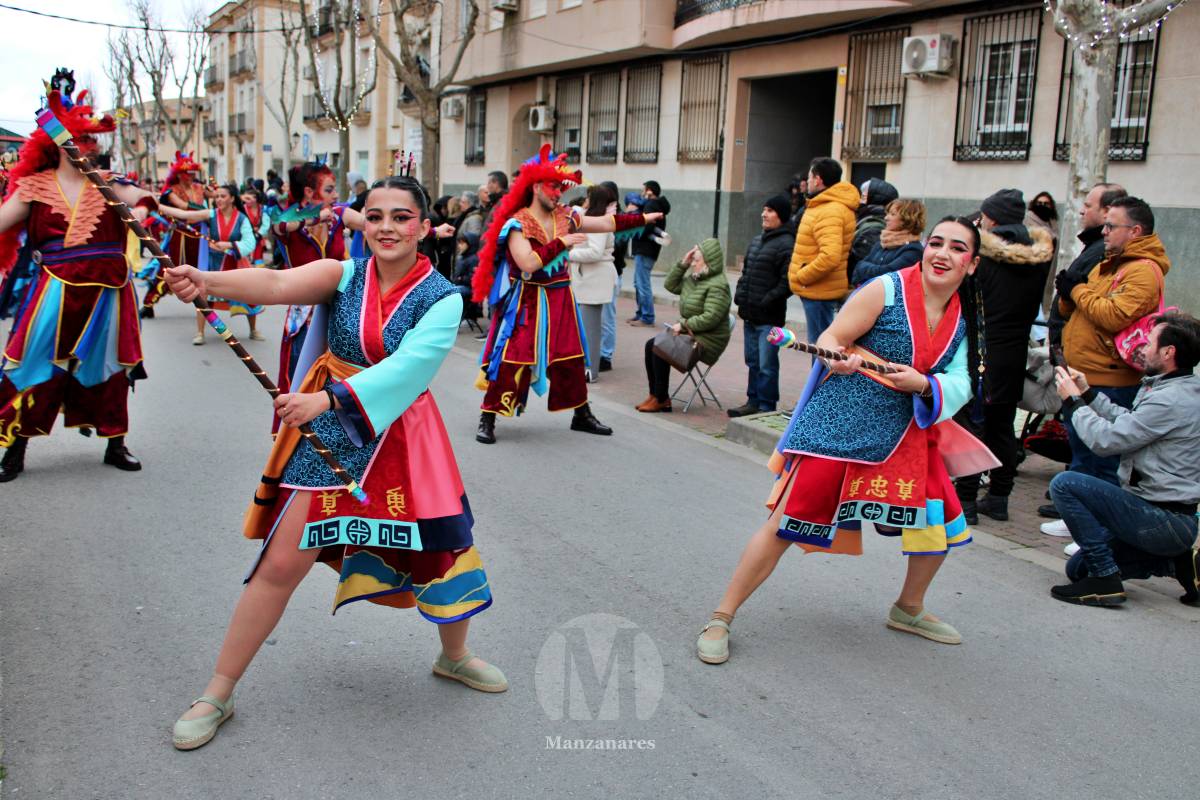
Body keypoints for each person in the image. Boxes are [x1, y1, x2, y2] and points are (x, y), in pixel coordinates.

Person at [162, 175, 504, 751]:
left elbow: (410, 369)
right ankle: (217, 692)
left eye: (401, 217)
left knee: (443, 551)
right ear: (362, 222)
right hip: (330, 434)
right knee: (279, 564)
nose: (387, 227)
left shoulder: (444, 297)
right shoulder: (344, 275)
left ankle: (455, 655)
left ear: (423, 227)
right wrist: (207, 279)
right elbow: (276, 282)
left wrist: (327, 399)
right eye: (375, 216)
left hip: (402, 436)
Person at [697, 217, 992, 663]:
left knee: (940, 524)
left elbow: (963, 379)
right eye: (936, 243)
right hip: (842, 422)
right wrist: (836, 357)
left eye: (957, 248)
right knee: (784, 524)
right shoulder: (886, 289)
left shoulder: (966, 317)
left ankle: (909, 607)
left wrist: (923, 384)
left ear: (972, 264)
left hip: (907, 431)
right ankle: (721, 616)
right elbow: (834, 336)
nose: (942, 254)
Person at [0, 71, 207, 481]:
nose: (91, 147)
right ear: (59, 142)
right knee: (31, 362)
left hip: (109, 291)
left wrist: (147, 210)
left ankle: (116, 442)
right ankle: (15, 446)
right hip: (53, 289)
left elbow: (142, 200)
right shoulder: (33, 188)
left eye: (93, 140)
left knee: (113, 366)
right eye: (84, 139)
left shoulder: (109, 183)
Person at [471, 145, 659, 444]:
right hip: (527, 301)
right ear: (536, 187)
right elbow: (527, 263)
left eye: (561, 188)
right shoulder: (518, 223)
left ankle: (581, 414)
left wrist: (644, 219)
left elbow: (606, 223)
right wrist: (562, 243)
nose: (558, 193)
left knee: (571, 357)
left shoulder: (566, 216)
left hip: (560, 298)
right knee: (511, 358)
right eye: (553, 187)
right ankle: (488, 416)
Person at [1047, 313, 1200, 606]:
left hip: (1163, 518)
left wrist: (1072, 401)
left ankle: (1105, 579)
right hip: (1161, 515)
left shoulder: (1169, 399)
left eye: (1150, 342)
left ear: (1168, 353)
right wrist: (1088, 394)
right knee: (1077, 570)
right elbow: (1130, 422)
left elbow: (1106, 441)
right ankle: (1178, 561)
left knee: (1065, 484)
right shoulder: (1176, 387)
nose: (1141, 347)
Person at [1041, 197, 1170, 536]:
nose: (1104, 231)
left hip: (1111, 379)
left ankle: (1099, 529)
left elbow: (1113, 316)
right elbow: (1075, 310)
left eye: (1112, 225)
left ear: (1135, 231)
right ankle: (1079, 519)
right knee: (1082, 453)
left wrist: (1078, 290)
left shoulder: (1143, 270)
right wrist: (1068, 293)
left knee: (1104, 460)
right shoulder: (1110, 262)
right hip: (1083, 374)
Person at [953, 188, 1053, 524]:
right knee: (1002, 427)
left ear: (991, 219)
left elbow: (966, 300)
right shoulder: (1038, 258)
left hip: (980, 349)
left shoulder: (982, 256)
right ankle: (999, 497)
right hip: (1014, 353)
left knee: (973, 424)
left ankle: (966, 500)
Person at [272, 162, 350, 403]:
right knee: (301, 377)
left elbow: (370, 223)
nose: (335, 195)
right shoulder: (290, 217)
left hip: (339, 310)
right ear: (308, 192)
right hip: (304, 314)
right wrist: (314, 219)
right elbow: (279, 226)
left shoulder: (338, 214)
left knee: (340, 379)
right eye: (329, 190)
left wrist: (428, 231)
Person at [638, 238, 732, 413]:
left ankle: (662, 399)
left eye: (696, 260)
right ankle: (655, 395)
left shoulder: (719, 286)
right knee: (651, 345)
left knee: (661, 347)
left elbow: (711, 318)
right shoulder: (696, 278)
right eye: (693, 260)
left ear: (709, 263)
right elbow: (670, 285)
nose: (693, 264)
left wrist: (682, 325)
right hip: (692, 332)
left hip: (707, 340)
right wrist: (683, 264)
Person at [728, 195, 794, 417]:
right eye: (764, 209)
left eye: (770, 210)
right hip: (750, 313)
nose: (764, 214)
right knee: (753, 361)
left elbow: (787, 282)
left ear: (781, 216)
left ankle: (766, 406)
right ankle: (752, 401)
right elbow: (746, 273)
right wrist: (740, 295)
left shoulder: (787, 244)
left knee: (767, 364)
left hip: (769, 317)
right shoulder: (757, 241)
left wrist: (768, 300)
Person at [788, 157, 859, 342]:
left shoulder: (830, 210)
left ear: (818, 179)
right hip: (818, 290)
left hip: (819, 291)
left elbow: (830, 256)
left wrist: (802, 276)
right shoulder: (824, 205)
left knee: (821, 347)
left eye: (809, 177)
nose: (807, 181)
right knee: (819, 344)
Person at [140, 150, 211, 318]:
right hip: (181, 235)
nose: (191, 176)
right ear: (179, 174)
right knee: (171, 269)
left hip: (201, 235)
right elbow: (183, 207)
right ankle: (149, 303)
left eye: (193, 173)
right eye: (188, 173)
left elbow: (218, 194)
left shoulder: (200, 187)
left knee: (207, 270)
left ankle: (209, 305)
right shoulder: (171, 192)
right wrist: (207, 212)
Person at [192, 183, 264, 346]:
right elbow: (184, 214)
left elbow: (250, 242)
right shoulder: (211, 214)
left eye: (222, 196)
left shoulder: (241, 218)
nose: (218, 199)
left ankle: (253, 330)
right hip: (214, 262)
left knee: (249, 295)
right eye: (216, 196)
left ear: (232, 198)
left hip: (235, 262)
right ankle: (200, 333)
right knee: (202, 297)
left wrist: (230, 245)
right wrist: (158, 207)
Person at [568, 183, 618, 383]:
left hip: (594, 279)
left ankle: (590, 370)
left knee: (591, 328)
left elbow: (596, 252)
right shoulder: (596, 219)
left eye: (589, 197)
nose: (585, 200)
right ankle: (587, 367)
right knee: (587, 327)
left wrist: (569, 254)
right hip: (589, 278)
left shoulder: (600, 222)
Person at [850, 198, 926, 287]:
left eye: (893, 214)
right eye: (887, 213)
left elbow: (887, 277)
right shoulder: (882, 243)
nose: (886, 218)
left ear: (907, 219)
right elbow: (858, 267)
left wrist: (866, 270)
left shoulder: (913, 250)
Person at [627, 179, 671, 328]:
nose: (642, 193)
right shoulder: (655, 205)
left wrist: (635, 224)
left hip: (645, 249)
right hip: (647, 249)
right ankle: (641, 313)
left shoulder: (652, 205)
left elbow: (646, 226)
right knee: (638, 282)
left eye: (644, 190)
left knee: (642, 283)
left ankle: (647, 317)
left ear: (650, 191)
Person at [847, 178, 899, 283]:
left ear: (875, 198)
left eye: (863, 196)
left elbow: (862, 265)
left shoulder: (874, 227)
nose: (860, 200)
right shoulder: (868, 217)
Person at [240, 184, 273, 268]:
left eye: (249, 198)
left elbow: (266, 224)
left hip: (258, 237)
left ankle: (259, 273)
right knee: (246, 260)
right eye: (246, 198)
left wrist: (259, 234)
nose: (247, 201)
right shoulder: (242, 209)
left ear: (256, 198)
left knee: (258, 258)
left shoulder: (263, 208)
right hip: (245, 238)